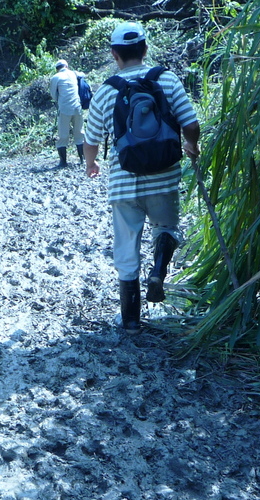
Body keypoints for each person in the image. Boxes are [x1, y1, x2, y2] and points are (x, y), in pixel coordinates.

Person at [83, 23, 200, 331]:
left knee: (126, 243)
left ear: (114, 54)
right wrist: (192, 144)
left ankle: (131, 319)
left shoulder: (107, 90)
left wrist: (91, 164)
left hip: (123, 183)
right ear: (145, 49)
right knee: (166, 227)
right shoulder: (167, 79)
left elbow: (91, 138)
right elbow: (190, 122)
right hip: (164, 174)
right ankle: (158, 272)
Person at [49, 59, 85, 168]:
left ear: (57, 68)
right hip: (77, 107)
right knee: (79, 133)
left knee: (63, 135)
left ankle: (63, 162)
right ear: (66, 66)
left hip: (64, 109)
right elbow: (83, 75)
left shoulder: (55, 77)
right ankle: (82, 160)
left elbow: (53, 95)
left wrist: (60, 100)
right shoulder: (74, 73)